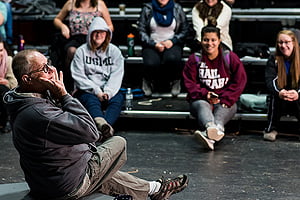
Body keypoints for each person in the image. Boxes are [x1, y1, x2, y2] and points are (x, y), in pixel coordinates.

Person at [3, 49, 188, 200]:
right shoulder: (38, 113)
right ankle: (154, 189)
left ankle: (156, 189)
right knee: (118, 143)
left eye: (49, 64)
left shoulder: (18, 98)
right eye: (44, 69)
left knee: (102, 173)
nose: (51, 71)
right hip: (64, 186)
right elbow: (91, 132)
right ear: (27, 79)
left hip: (45, 182)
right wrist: (64, 95)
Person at [183, 24, 247, 150]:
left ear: (219, 41)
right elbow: (189, 84)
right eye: (206, 40)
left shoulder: (230, 57)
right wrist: (205, 94)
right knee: (202, 105)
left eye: (213, 40)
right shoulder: (195, 59)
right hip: (201, 99)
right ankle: (212, 128)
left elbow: (240, 81)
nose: (209, 43)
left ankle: (210, 137)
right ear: (201, 41)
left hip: (224, 99)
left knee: (223, 108)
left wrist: (225, 98)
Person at [71, 17, 123, 135]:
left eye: (102, 32)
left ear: (107, 34)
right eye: (96, 32)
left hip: (108, 90)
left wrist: (108, 92)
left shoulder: (115, 51)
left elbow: (116, 75)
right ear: (90, 34)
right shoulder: (81, 51)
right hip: (87, 90)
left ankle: (105, 128)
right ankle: (100, 124)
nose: (99, 35)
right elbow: (79, 76)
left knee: (118, 99)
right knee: (91, 100)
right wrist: (97, 91)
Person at [53, 0, 113, 92]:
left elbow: (110, 26)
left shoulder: (99, 4)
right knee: (72, 51)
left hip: (93, 39)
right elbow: (56, 19)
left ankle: (91, 85)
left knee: (91, 52)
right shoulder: (71, 3)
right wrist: (62, 26)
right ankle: (69, 86)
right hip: (75, 38)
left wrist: (102, 34)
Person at [137, 0, 189, 97]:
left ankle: (175, 80)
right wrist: (154, 44)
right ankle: (148, 81)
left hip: (172, 43)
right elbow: (141, 30)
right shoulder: (148, 8)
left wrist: (172, 41)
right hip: (151, 43)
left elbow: (185, 29)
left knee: (172, 58)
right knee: (151, 63)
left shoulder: (177, 8)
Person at [264, 30, 300, 142]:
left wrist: (297, 93)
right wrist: (279, 92)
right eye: (280, 42)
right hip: (281, 96)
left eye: (286, 42)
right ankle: (271, 129)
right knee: (273, 97)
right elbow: (270, 80)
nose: (283, 46)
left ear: (293, 42)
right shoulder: (273, 59)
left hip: (297, 95)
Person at [0, 35, 17, 132]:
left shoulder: (8, 60)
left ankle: (6, 121)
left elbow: (14, 84)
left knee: (2, 89)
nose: (0, 53)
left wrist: (5, 81)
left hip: (5, 91)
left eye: (1, 50)